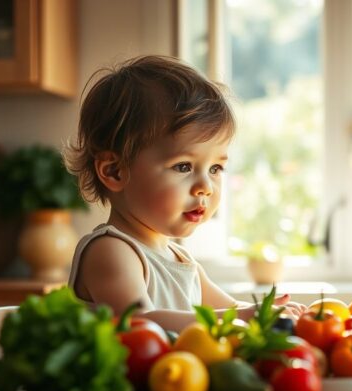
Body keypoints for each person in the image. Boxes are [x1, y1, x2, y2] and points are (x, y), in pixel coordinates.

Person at [63, 55, 305, 332]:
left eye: (215, 168)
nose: (206, 186)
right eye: (183, 166)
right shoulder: (111, 250)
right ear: (115, 171)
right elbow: (139, 323)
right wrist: (246, 318)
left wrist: (269, 311)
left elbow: (230, 308)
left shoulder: (180, 259)